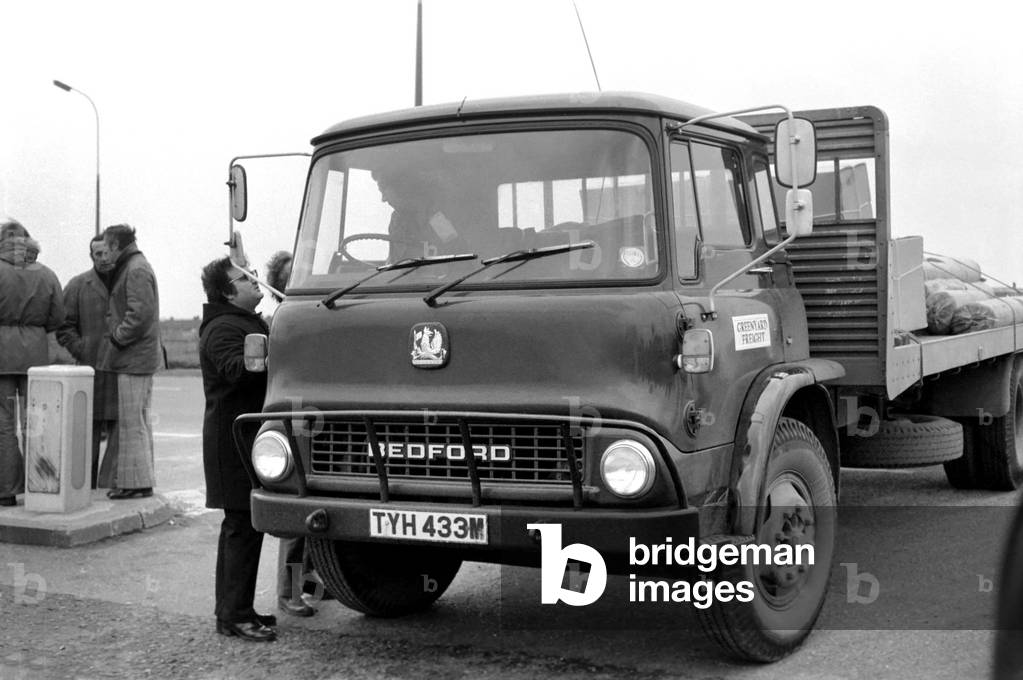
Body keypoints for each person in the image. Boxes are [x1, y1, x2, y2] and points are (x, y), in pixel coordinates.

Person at [199, 257, 276, 641]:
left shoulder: (242, 321)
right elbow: (237, 370)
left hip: (243, 439)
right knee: (240, 526)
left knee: (245, 526)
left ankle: (235, 608)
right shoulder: (223, 327)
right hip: (232, 442)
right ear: (229, 291)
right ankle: (234, 615)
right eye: (245, 279)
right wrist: (271, 356)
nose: (256, 281)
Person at [264, 251, 318, 617]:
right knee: (296, 521)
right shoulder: (283, 321)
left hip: (317, 421)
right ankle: (289, 593)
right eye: (289, 277)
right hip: (295, 422)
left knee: (317, 517)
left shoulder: (314, 313)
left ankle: (312, 585)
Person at [0, 220, 65, 506]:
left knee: (3, 424)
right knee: (35, 423)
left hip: (1, 356)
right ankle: (39, 486)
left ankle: (6, 490)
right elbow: (57, 319)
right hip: (36, 358)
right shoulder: (47, 274)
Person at [98, 224, 161, 500]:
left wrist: (117, 338)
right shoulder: (137, 265)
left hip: (133, 357)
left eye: (108, 247)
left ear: (116, 245)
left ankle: (135, 484)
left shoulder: (134, 269)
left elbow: (139, 315)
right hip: (139, 356)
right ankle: (140, 481)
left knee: (132, 422)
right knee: (138, 421)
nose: (106, 254)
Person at [57, 235, 119, 488]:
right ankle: (83, 484)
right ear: (91, 256)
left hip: (118, 367)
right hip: (89, 368)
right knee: (87, 429)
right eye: (97, 254)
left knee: (119, 428)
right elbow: (64, 326)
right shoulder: (78, 285)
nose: (103, 259)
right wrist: (80, 348)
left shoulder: (125, 281)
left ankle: (109, 485)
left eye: (106, 253)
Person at [372, 168, 469, 261]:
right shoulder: (396, 219)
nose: (383, 199)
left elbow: (458, 256)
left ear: (401, 189)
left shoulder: (437, 218)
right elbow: (394, 260)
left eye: (384, 192)